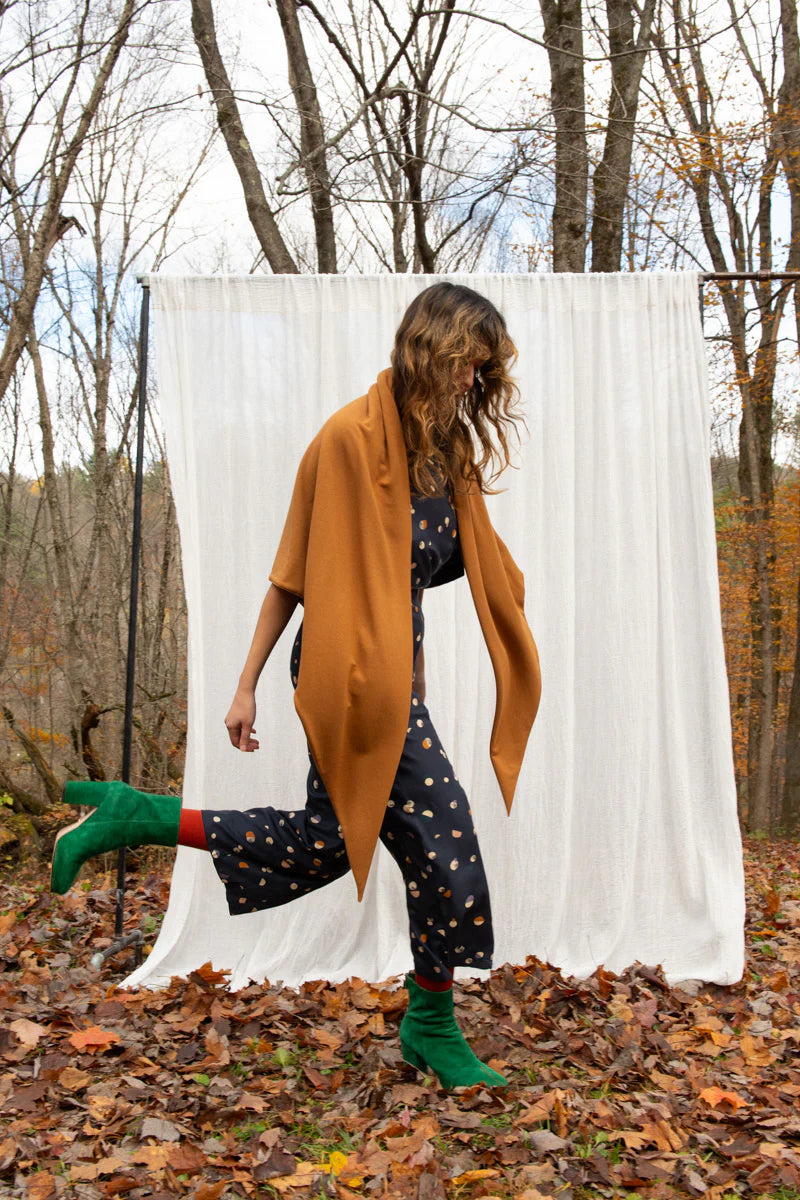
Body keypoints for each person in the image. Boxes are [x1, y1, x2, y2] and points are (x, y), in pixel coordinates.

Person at [50, 281, 542, 1092]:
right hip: (343, 672)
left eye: (481, 370)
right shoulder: (345, 441)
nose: (471, 381)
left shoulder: (443, 457)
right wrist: (244, 685)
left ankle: (134, 815)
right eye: (465, 363)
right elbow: (291, 577)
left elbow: (437, 572)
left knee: (329, 841)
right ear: (431, 348)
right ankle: (432, 1027)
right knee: (447, 838)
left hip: (396, 679)